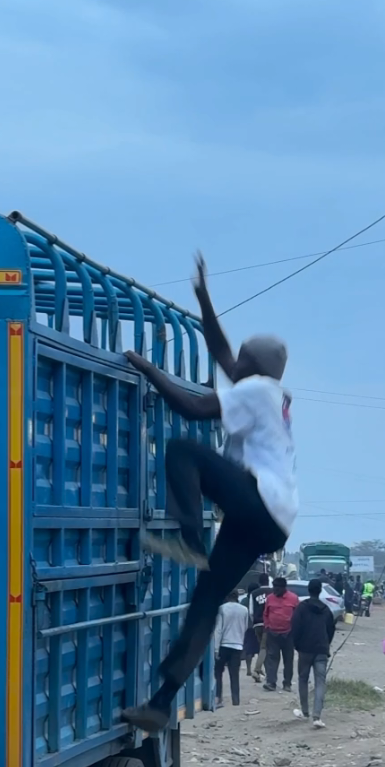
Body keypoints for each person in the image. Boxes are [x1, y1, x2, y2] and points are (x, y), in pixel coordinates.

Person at [121, 255, 297, 732]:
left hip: (257, 501)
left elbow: (194, 407)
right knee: (205, 600)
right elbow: (222, 349)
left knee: (183, 451)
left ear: (253, 366)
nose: (230, 364)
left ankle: (189, 541)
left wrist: (147, 369)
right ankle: (160, 703)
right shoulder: (270, 390)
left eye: (240, 359)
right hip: (269, 520)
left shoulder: (256, 389)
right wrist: (203, 298)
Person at [291, 578, 335, 728]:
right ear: (320, 590)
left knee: (303, 679)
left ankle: (304, 711)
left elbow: (295, 627)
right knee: (320, 683)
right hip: (321, 650)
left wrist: (296, 645)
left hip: (304, 649)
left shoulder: (301, 608)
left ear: (309, 590)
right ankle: (317, 716)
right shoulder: (326, 609)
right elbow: (331, 630)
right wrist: (326, 644)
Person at [263, 575, 299, 691]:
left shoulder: (293, 598)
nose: (275, 590)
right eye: (274, 587)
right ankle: (271, 682)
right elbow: (265, 614)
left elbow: (298, 616)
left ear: (284, 588)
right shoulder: (269, 598)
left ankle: (287, 683)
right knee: (272, 658)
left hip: (288, 634)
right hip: (272, 633)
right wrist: (267, 626)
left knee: (288, 660)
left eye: (277, 588)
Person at [214, 590, 249, 708]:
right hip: (237, 645)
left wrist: (215, 648)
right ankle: (236, 700)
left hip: (223, 645)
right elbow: (245, 627)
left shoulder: (222, 609)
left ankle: (218, 698)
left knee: (218, 673)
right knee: (234, 674)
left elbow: (218, 629)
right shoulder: (244, 610)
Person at [245, 571, 271, 679]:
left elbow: (251, 611)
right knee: (265, 648)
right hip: (268, 623)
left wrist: (255, 621)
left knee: (262, 648)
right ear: (268, 581)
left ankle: (265, 673)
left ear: (259, 582)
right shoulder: (272, 592)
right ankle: (257, 669)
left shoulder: (254, 593)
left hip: (257, 624)